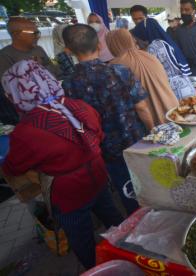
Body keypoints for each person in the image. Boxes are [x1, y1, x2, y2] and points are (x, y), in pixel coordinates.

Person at [1, 60, 124, 269]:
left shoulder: (26, 130)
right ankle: (129, 252)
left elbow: (14, 167)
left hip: (68, 194)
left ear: (16, 93)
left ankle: (98, 270)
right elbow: (98, 136)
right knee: (114, 219)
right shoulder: (78, 106)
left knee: (81, 237)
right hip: (98, 175)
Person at [62, 24, 152, 215]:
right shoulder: (119, 71)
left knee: (127, 191)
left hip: (105, 148)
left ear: (68, 50)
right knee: (150, 184)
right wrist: (153, 131)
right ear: (100, 46)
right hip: (136, 140)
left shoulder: (69, 83)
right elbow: (142, 107)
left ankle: (138, 225)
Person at [106, 29, 179, 125]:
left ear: (112, 45)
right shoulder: (150, 56)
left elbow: (139, 105)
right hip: (173, 110)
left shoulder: (115, 66)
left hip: (150, 119)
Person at [0, 17, 61, 125]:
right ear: (17, 34)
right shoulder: (4, 56)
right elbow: (9, 88)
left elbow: (54, 72)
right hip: (30, 112)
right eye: (34, 33)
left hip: (53, 102)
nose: (37, 36)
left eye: (38, 32)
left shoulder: (38, 49)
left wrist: (41, 67)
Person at [132, 18, 196, 100]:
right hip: (184, 85)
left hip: (173, 90)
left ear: (145, 32)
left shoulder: (153, 47)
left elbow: (150, 71)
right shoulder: (164, 42)